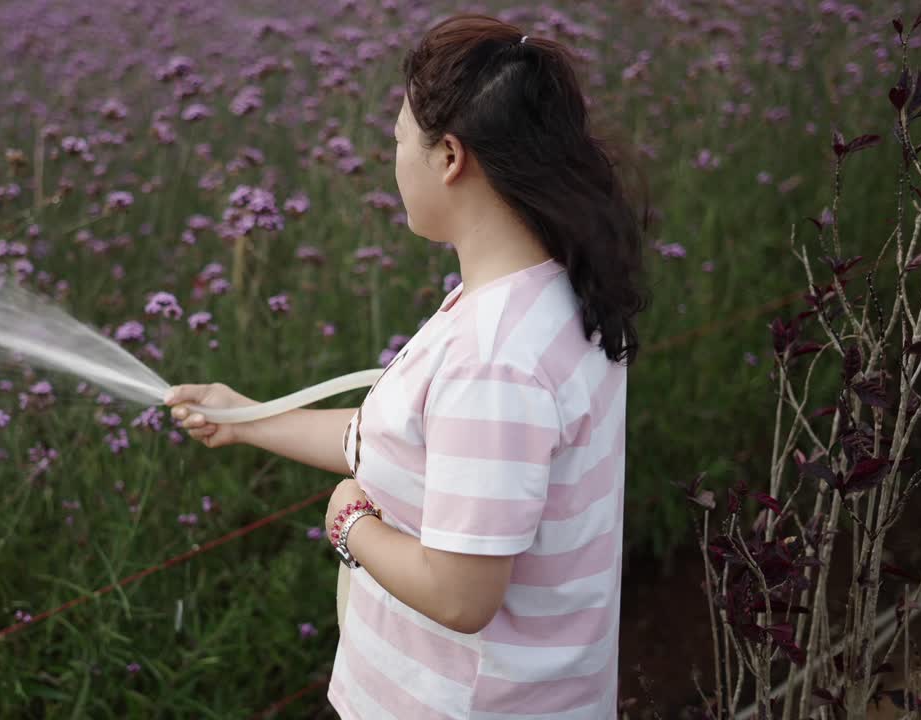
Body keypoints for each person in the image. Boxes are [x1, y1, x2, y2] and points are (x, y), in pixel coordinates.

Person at [165, 12, 651, 719]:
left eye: (398, 141)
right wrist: (245, 418)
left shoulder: (494, 362)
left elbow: (461, 596)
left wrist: (350, 523)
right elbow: (403, 442)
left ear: (449, 157)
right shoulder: (543, 295)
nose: (393, 160)